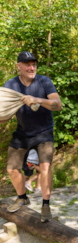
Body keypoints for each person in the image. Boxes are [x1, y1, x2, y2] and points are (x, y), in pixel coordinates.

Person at [0, 51, 62, 222]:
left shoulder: (44, 81)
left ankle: (46, 204)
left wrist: (37, 99)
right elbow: (5, 116)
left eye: (33, 64)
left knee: (45, 166)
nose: (31, 67)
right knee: (12, 169)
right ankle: (22, 197)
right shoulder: (10, 85)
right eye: (27, 64)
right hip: (22, 133)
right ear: (18, 66)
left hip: (44, 132)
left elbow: (58, 105)